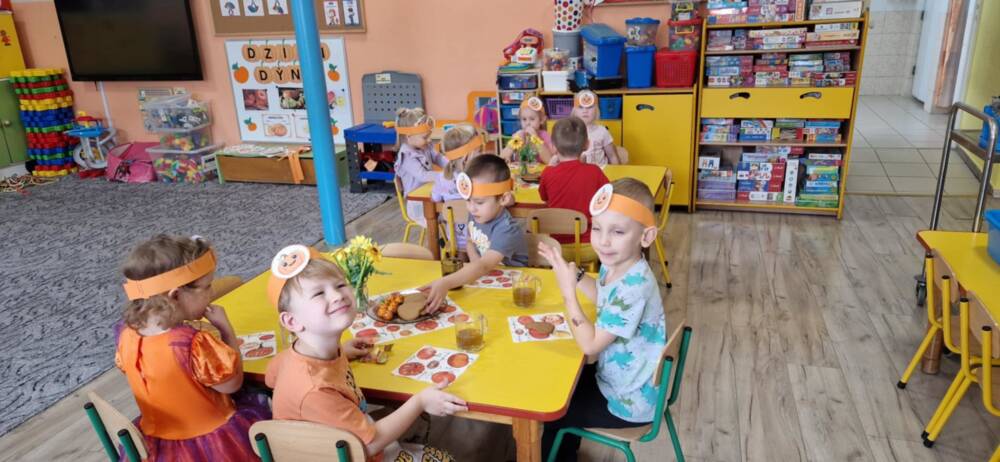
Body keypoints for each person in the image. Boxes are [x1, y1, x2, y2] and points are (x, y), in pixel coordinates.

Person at [264, 245, 465, 462]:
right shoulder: (314, 389)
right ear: (291, 321)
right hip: (359, 451)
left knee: (417, 422)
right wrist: (420, 402)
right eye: (319, 293)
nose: (337, 295)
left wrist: (343, 351)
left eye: (340, 285)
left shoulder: (303, 353)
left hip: (351, 435)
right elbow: (370, 445)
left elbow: (271, 377)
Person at [537, 179, 667, 461]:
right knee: (557, 383)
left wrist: (568, 293)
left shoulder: (634, 287)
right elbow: (604, 297)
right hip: (621, 382)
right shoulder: (619, 264)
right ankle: (564, 454)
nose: (603, 241)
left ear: (646, 237)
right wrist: (575, 274)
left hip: (627, 402)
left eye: (617, 231)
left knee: (551, 410)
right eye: (597, 228)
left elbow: (590, 345)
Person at [115, 235, 270, 461]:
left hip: (158, 446)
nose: (211, 293)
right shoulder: (192, 344)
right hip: (214, 446)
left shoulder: (125, 335)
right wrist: (226, 330)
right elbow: (232, 384)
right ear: (175, 295)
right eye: (207, 287)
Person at [423, 155, 528, 311]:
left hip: (514, 290)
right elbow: (470, 241)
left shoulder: (507, 229)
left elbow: (484, 265)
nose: (471, 208)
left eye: (479, 202)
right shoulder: (477, 214)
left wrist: (446, 282)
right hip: (488, 283)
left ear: (503, 199)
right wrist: (475, 267)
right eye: (468, 200)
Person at [539, 116, 610, 250]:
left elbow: (544, 198)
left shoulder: (548, 173)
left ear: (553, 147)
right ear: (587, 144)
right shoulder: (595, 171)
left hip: (557, 248)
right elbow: (608, 197)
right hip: (590, 246)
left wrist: (550, 167)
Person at [431, 124, 486, 254]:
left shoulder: (442, 178)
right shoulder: (481, 179)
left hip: (455, 240)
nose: (483, 154)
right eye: (479, 152)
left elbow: (435, 199)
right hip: (481, 240)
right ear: (466, 158)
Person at [393, 107, 448, 227]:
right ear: (408, 136)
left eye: (429, 136)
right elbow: (423, 175)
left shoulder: (425, 145)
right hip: (418, 205)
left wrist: (451, 166)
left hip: (431, 195)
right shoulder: (406, 156)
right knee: (446, 214)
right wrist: (445, 175)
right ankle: (440, 237)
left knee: (451, 207)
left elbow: (438, 157)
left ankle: (453, 234)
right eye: (425, 137)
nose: (429, 140)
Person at [570, 90, 620, 167]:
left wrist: (617, 171)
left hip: (600, 171)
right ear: (574, 111)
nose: (585, 111)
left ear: (596, 110)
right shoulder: (570, 132)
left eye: (589, 107)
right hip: (578, 172)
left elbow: (612, 156)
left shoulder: (602, 131)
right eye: (581, 107)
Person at [500, 96, 555, 164]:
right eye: (524, 119)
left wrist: (536, 139)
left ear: (541, 120)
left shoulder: (545, 136)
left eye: (532, 119)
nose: (527, 123)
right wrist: (514, 142)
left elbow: (549, 161)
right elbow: (502, 158)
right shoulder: (518, 135)